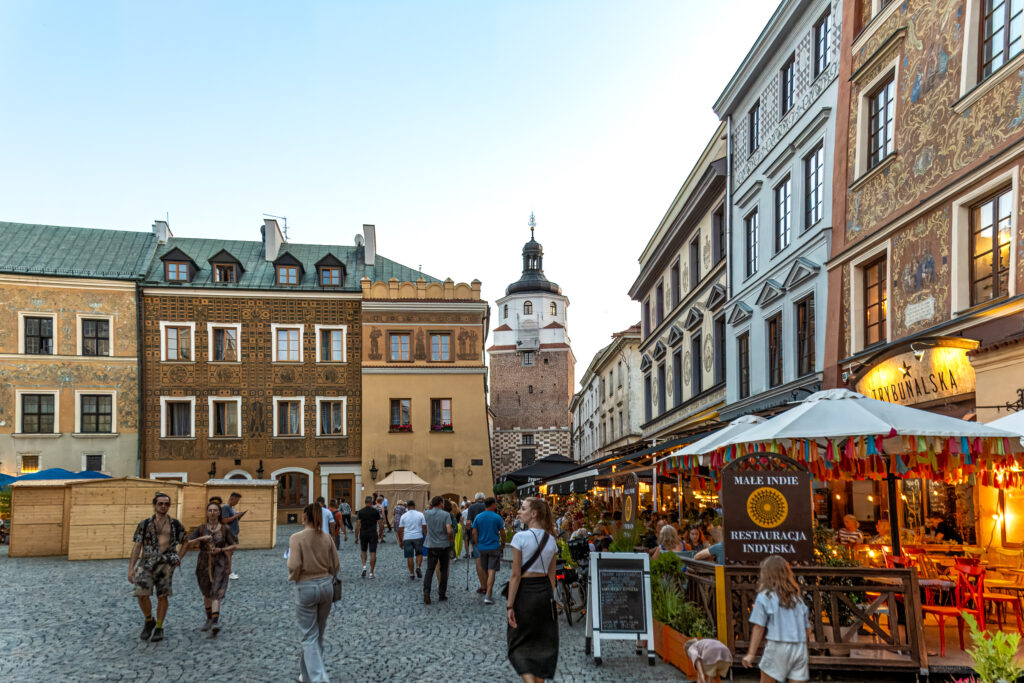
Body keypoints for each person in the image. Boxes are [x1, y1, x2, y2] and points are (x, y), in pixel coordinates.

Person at [507, 497, 559, 683]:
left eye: (523, 508)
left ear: (534, 514)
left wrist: (509, 605)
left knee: (518, 644)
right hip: (544, 593)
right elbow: (552, 578)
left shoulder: (519, 537)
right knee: (541, 646)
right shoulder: (551, 540)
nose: (519, 512)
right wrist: (548, 598)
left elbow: (515, 575)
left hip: (525, 593)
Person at [287, 503, 340, 683]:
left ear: (304, 517)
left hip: (306, 586)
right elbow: (337, 565)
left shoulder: (296, 538)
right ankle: (307, 675)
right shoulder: (326, 537)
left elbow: (293, 565)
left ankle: (319, 678)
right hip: (326, 586)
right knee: (318, 633)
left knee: (309, 635)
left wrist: (293, 576)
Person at [742, 555, 812, 683]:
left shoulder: (765, 596)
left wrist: (751, 653)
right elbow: (807, 628)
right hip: (798, 646)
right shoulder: (797, 599)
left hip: (777, 644)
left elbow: (758, 627)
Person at [128, 492, 187, 642]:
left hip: (166, 564)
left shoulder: (175, 524)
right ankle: (149, 620)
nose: (163, 506)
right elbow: (137, 545)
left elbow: (185, 541)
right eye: (160, 503)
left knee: (163, 595)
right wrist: (131, 568)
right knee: (141, 594)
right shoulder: (145, 524)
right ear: (154, 505)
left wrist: (178, 558)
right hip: (146, 562)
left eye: (166, 504)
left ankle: (159, 627)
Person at [180, 501, 237, 636]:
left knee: (216, 591)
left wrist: (221, 549)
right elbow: (187, 543)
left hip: (220, 562)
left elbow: (234, 545)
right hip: (204, 562)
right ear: (207, 512)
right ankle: (209, 619)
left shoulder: (224, 529)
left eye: (215, 510)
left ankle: (215, 622)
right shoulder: (201, 528)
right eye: (210, 510)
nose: (212, 513)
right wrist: (201, 538)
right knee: (206, 591)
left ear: (219, 513)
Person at [472, 496, 507, 604]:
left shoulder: (478, 517)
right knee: (492, 571)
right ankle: (488, 594)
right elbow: (502, 533)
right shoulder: (497, 517)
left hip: (482, 547)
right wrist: (503, 544)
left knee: (485, 569)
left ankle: (487, 590)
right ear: (493, 505)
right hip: (494, 547)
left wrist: (477, 543)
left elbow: (474, 532)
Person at [423, 495, 453, 604]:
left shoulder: (427, 513)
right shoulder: (446, 514)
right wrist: (450, 538)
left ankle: (426, 592)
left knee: (429, 570)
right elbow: (449, 530)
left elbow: (424, 526)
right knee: (444, 570)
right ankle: (442, 594)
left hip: (431, 545)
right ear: (440, 503)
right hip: (443, 545)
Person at [219, 492, 246, 580]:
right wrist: (236, 515)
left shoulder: (232, 508)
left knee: (230, 554)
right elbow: (224, 521)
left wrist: (239, 516)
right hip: (228, 534)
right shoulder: (226, 508)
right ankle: (228, 573)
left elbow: (235, 519)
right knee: (228, 554)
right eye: (236, 500)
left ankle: (225, 572)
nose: (237, 503)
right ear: (232, 498)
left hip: (233, 534)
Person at [354, 495, 383, 578]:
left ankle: (364, 567)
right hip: (373, 533)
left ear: (365, 502)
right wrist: (380, 534)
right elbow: (380, 524)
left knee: (363, 550)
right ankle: (371, 573)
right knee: (372, 552)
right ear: (371, 502)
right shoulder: (375, 511)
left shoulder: (360, 512)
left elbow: (357, 525)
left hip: (363, 533)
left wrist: (356, 537)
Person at [397, 499, 426, 580]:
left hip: (407, 537)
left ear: (407, 507)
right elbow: (424, 527)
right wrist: (426, 536)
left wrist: (400, 540)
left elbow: (400, 530)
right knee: (419, 553)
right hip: (418, 537)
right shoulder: (420, 514)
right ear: (414, 506)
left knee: (409, 556)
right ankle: (418, 567)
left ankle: (411, 573)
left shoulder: (404, 516)